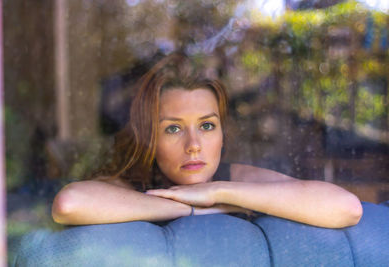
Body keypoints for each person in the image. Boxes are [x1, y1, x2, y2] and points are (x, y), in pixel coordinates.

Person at [52, 53, 362, 228]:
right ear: (149, 139)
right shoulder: (134, 184)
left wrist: (217, 191)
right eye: (173, 129)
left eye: (207, 126)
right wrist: (186, 208)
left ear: (223, 134)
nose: (194, 144)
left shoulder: (235, 179)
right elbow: (70, 204)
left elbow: (346, 207)